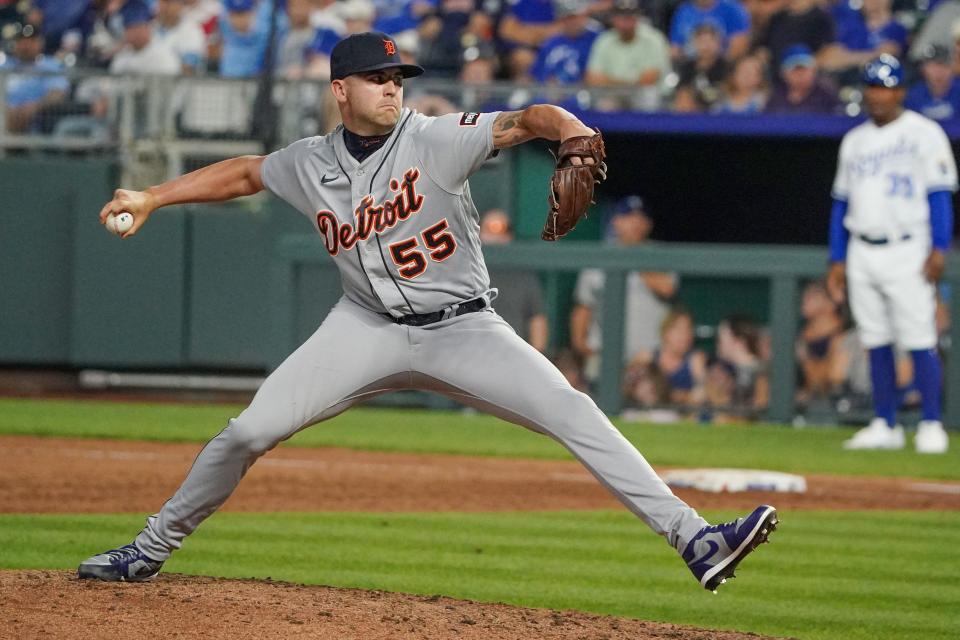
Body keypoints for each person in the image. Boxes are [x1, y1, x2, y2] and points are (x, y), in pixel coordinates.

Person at [75, 30, 777, 590]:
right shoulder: (309, 161)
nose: (391, 89)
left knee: (572, 409)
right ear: (340, 89)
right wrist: (152, 197)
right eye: (378, 79)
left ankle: (696, 539)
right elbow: (246, 172)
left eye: (397, 78)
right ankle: (148, 549)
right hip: (364, 327)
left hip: (464, 329)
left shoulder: (436, 137)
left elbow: (529, 117)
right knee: (246, 431)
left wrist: (572, 132)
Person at [827, 54, 955, 454]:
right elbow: (840, 204)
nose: (877, 95)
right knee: (875, 338)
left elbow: (939, 196)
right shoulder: (855, 140)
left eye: (885, 87)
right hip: (863, 246)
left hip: (907, 246)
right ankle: (886, 421)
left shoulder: (925, 132)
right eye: (872, 87)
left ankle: (931, 422)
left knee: (919, 336)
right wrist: (837, 257)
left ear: (901, 90)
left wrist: (939, 246)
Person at [570, 195, 676, 384]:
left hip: (648, 356)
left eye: (641, 217)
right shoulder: (598, 258)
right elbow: (584, 306)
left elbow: (667, 288)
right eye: (629, 217)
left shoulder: (660, 254)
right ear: (616, 221)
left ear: (649, 224)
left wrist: (634, 258)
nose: (635, 222)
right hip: (605, 352)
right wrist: (580, 344)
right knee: (597, 405)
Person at [479, 209, 549, 352]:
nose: (495, 237)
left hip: (513, 354)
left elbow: (537, 318)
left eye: (502, 231)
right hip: (474, 352)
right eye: (489, 230)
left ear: (509, 236)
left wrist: (536, 357)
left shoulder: (523, 275)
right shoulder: (467, 272)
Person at [584, 0, 671, 112]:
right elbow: (593, 78)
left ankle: (648, 130)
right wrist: (625, 86)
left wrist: (612, 82)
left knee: (648, 97)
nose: (626, 21)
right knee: (604, 105)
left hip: (644, 95)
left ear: (638, 17)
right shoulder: (604, 40)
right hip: (613, 94)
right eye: (621, 16)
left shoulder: (653, 38)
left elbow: (650, 79)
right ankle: (606, 130)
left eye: (630, 16)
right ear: (613, 19)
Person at [0, 21, 69, 134]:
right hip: (4, 117)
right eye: (21, 41)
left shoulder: (50, 65)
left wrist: (33, 108)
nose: (25, 45)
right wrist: (7, 110)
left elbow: (58, 93)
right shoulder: (5, 66)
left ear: (40, 43)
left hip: (36, 121)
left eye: (31, 41)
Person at [750, 0, 835, 79]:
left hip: (805, 75)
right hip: (776, 74)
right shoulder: (777, 17)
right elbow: (763, 45)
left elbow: (828, 49)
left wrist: (805, 68)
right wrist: (762, 55)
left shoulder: (822, 19)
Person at [529, 0, 601, 85]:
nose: (573, 21)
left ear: (584, 16)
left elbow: (595, 77)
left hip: (583, 92)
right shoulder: (551, 42)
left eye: (576, 17)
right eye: (568, 18)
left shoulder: (597, 40)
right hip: (546, 93)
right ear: (561, 20)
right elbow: (535, 75)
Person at [763, 44, 840, 115]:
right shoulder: (776, 98)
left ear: (814, 70)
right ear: (783, 74)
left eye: (804, 70)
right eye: (795, 70)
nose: (800, 75)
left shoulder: (826, 95)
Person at [110, 0, 181, 76]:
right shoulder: (122, 56)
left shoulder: (163, 55)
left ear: (148, 27)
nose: (134, 33)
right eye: (130, 28)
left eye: (138, 27)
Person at [673, 22, 729, 112]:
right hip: (693, 113)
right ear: (694, 43)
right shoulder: (687, 67)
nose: (706, 46)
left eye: (711, 41)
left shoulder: (726, 67)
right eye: (702, 41)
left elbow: (727, 91)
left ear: (718, 43)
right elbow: (682, 92)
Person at [668, 0, 751, 61]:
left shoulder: (733, 10)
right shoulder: (683, 11)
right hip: (690, 68)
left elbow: (739, 47)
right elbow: (675, 48)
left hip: (723, 68)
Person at [905, 44, 960, 123]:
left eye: (943, 65)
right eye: (932, 66)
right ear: (923, 69)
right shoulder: (912, 96)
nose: (938, 72)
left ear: (952, 68)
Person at [154, 0, 207, 74]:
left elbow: (189, 69)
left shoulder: (192, 31)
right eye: (161, 2)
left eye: (168, 3)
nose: (163, 7)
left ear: (180, 6)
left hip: (183, 83)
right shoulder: (151, 28)